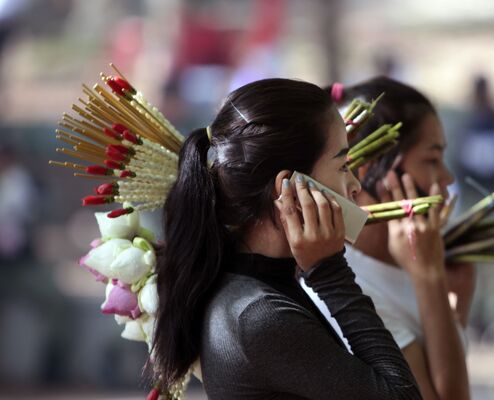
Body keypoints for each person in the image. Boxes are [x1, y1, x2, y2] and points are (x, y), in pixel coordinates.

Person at [152, 78, 422, 399]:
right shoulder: (260, 316)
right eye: (343, 165)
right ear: (289, 187)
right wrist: (330, 271)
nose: (355, 187)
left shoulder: (254, 290)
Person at [321, 76, 474, 400]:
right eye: (431, 160)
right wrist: (428, 277)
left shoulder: (412, 257)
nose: (447, 178)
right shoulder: (351, 287)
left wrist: (456, 303)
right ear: (366, 171)